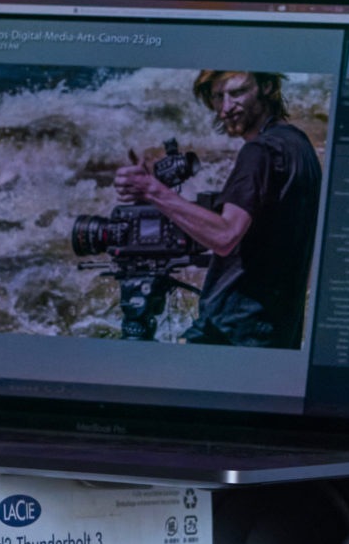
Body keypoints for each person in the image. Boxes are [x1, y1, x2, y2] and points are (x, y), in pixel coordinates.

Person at [114, 70, 323, 347]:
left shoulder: (259, 152)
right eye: (217, 97)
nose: (225, 108)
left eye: (237, 93)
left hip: (231, 332)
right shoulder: (300, 146)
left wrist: (152, 190)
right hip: (278, 332)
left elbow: (225, 236)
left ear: (267, 86)